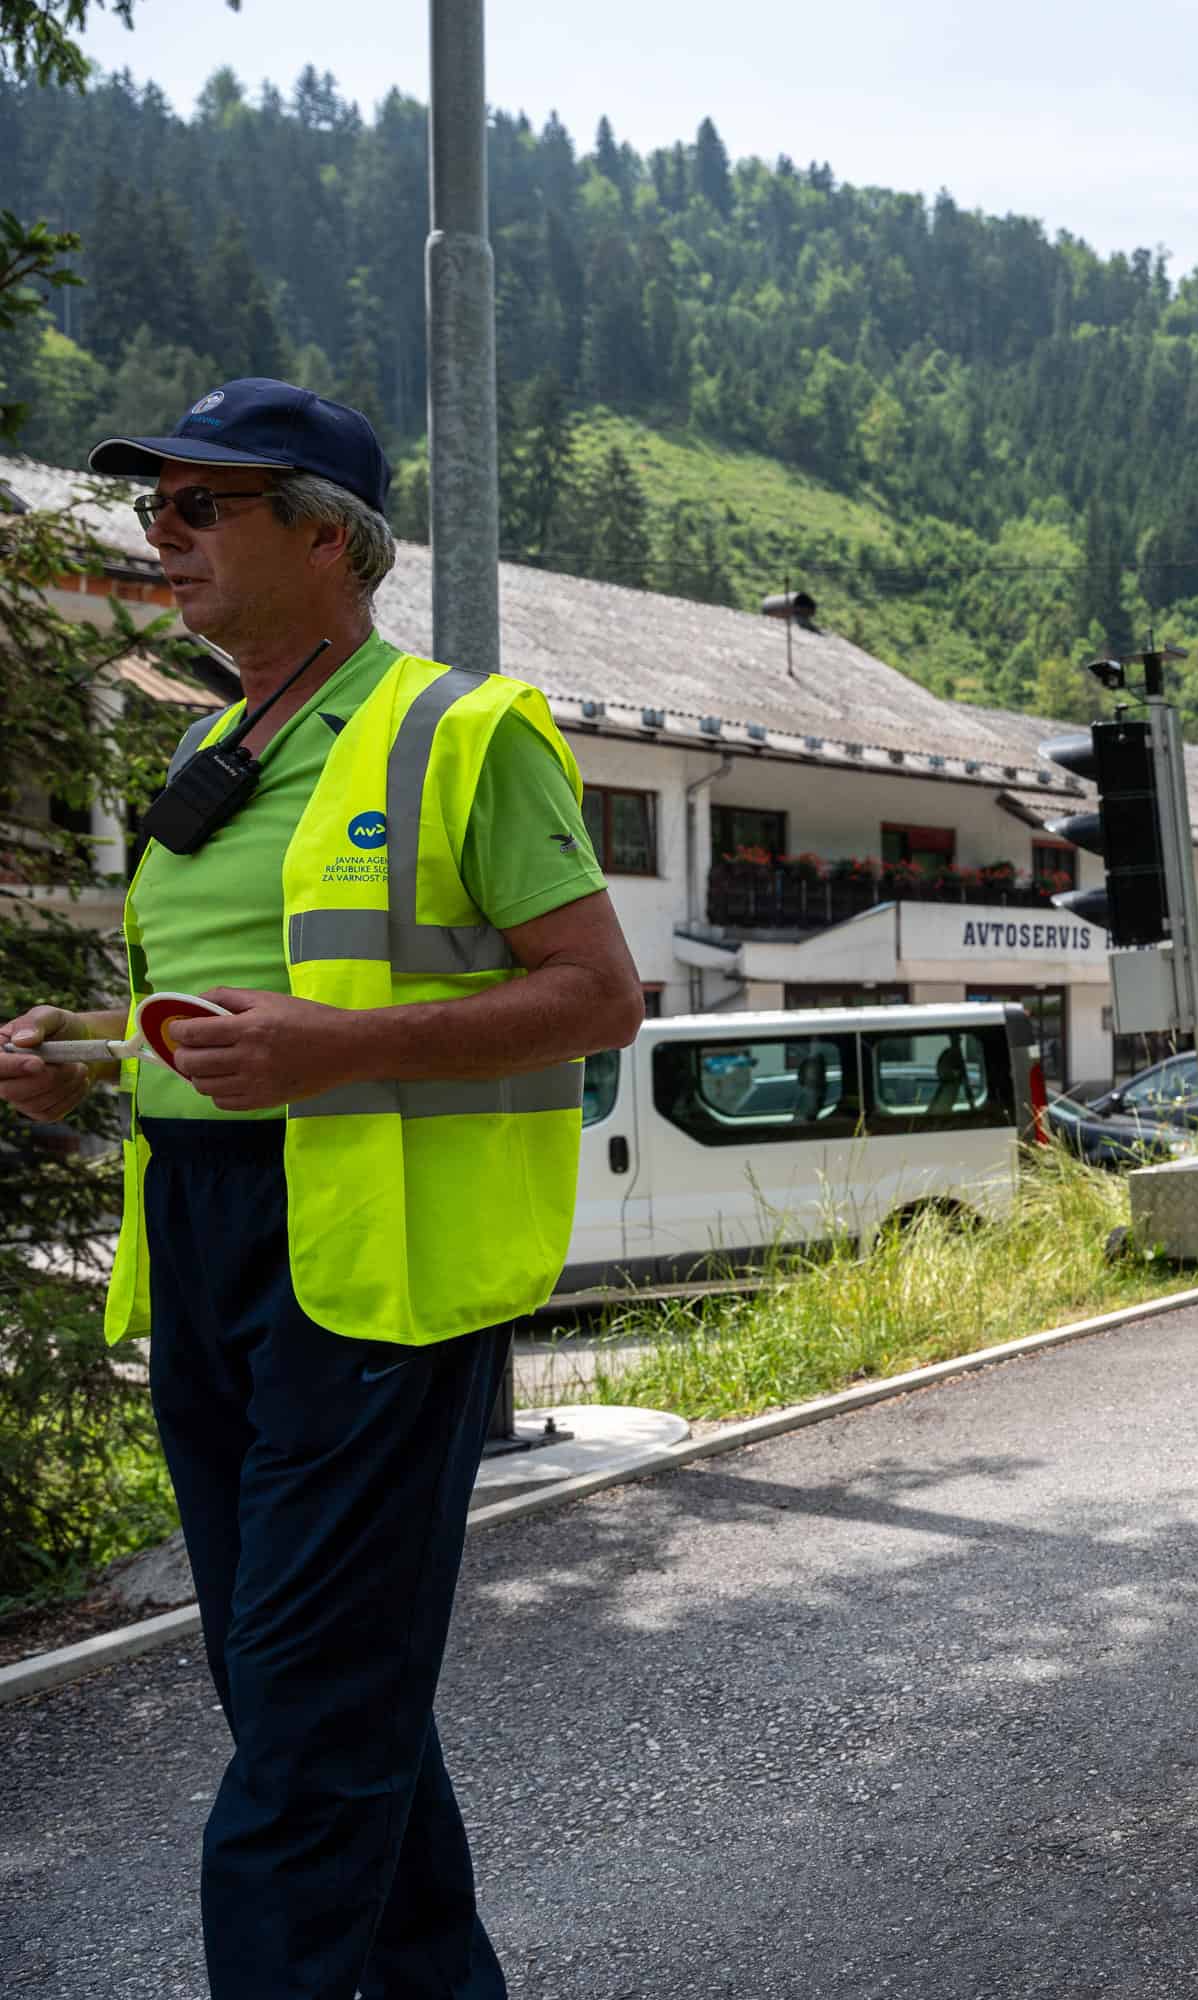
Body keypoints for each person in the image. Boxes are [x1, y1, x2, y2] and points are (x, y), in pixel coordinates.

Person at [0, 378, 645, 1998]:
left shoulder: (461, 731)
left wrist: (339, 1054)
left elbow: (595, 995)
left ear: (325, 536)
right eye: (156, 508)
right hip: (206, 1252)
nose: (163, 536)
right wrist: (87, 1048)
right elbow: (231, 1007)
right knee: (306, 1693)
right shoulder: (212, 746)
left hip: (370, 1269)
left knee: (301, 1726)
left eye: (201, 506)